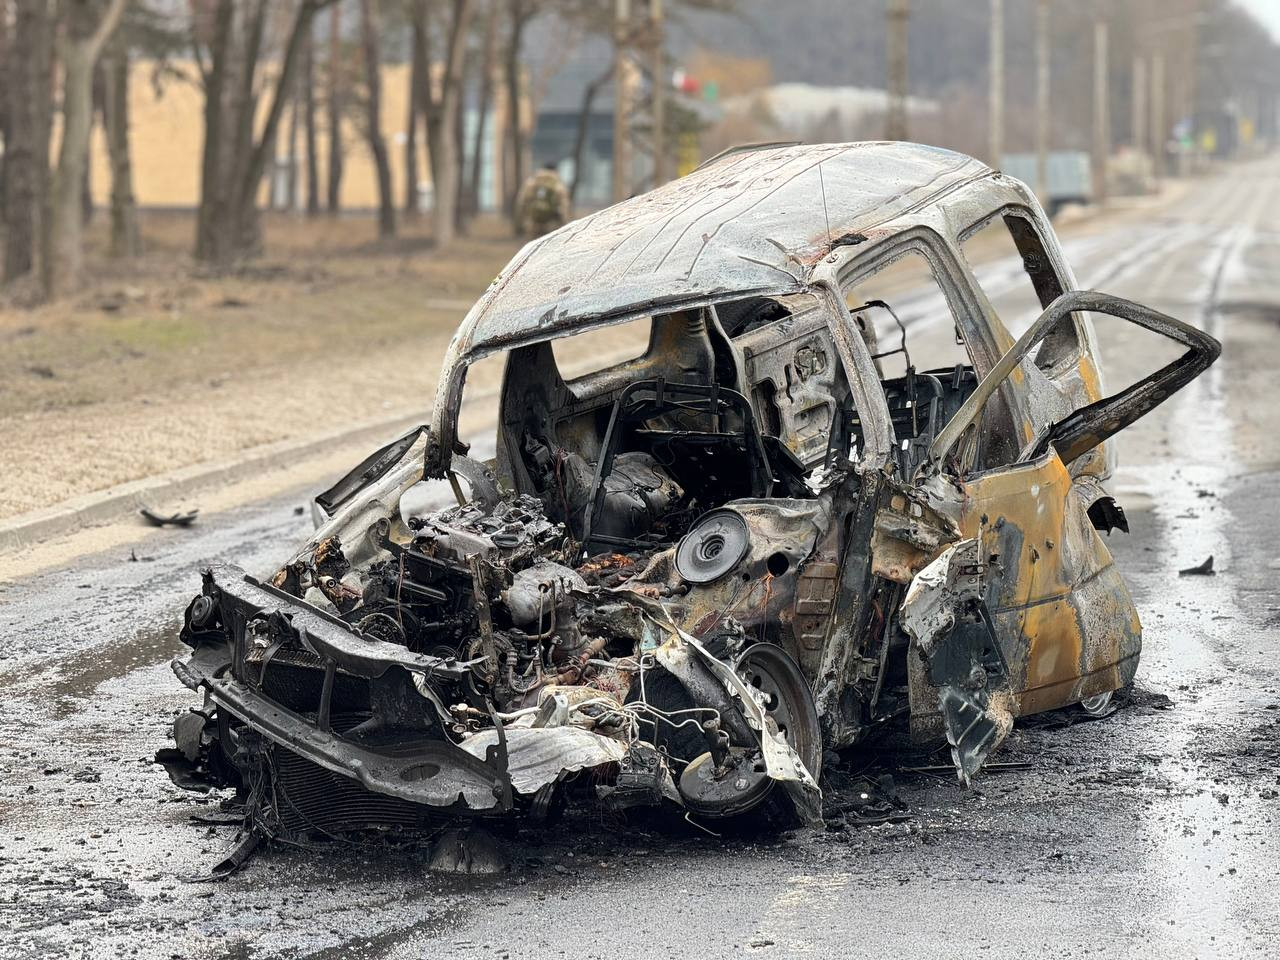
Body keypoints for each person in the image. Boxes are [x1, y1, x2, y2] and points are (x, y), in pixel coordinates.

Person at [515, 163, 570, 237]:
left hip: (532, 224)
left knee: (534, 246)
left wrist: (519, 224)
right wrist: (565, 224)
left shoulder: (531, 182)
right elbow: (564, 206)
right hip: (551, 224)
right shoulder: (558, 184)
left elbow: (521, 202)